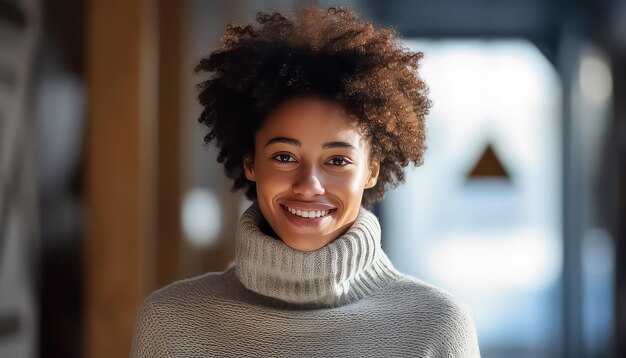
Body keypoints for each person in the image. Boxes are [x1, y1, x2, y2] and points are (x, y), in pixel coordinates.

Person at [131, 6, 481, 357]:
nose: (309, 184)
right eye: (284, 157)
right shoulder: (171, 322)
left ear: (371, 170)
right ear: (250, 162)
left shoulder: (435, 326)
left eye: (338, 160)